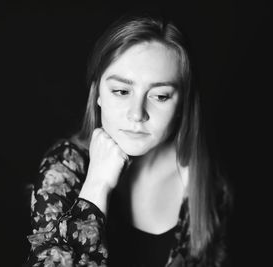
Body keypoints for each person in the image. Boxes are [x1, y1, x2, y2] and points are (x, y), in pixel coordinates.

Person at [26, 15, 231, 267]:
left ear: (182, 104)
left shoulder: (203, 178)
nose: (137, 114)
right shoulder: (64, 168)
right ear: (98, 94)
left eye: (160, 96)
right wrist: (97, 186)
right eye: (121, 91)